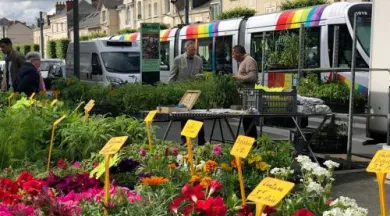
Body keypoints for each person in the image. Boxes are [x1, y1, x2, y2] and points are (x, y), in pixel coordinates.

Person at [169, 40, 206, 145]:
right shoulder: (178, 60)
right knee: (184, 117)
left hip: (195, 92)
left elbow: (202, 73)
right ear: (185, 49)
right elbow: (172, 77)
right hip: (182, 93)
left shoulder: (199, 60)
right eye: (191, 50)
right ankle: (184, 140)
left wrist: (201, 77)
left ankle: (201, 140)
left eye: (194, 50)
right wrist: (171, 92)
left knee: (199, 116)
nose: (193, 51)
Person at [232, 45, 258, 139]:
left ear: (238, 53)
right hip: (244, 96)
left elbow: (253, 77)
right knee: (246, 119)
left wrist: (238, 77)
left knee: (248, 119)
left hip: (249, 96)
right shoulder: (243, 61)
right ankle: (249, 139)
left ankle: (252, 141)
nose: (233, 56)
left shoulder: (249, 60)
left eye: (233, 53)